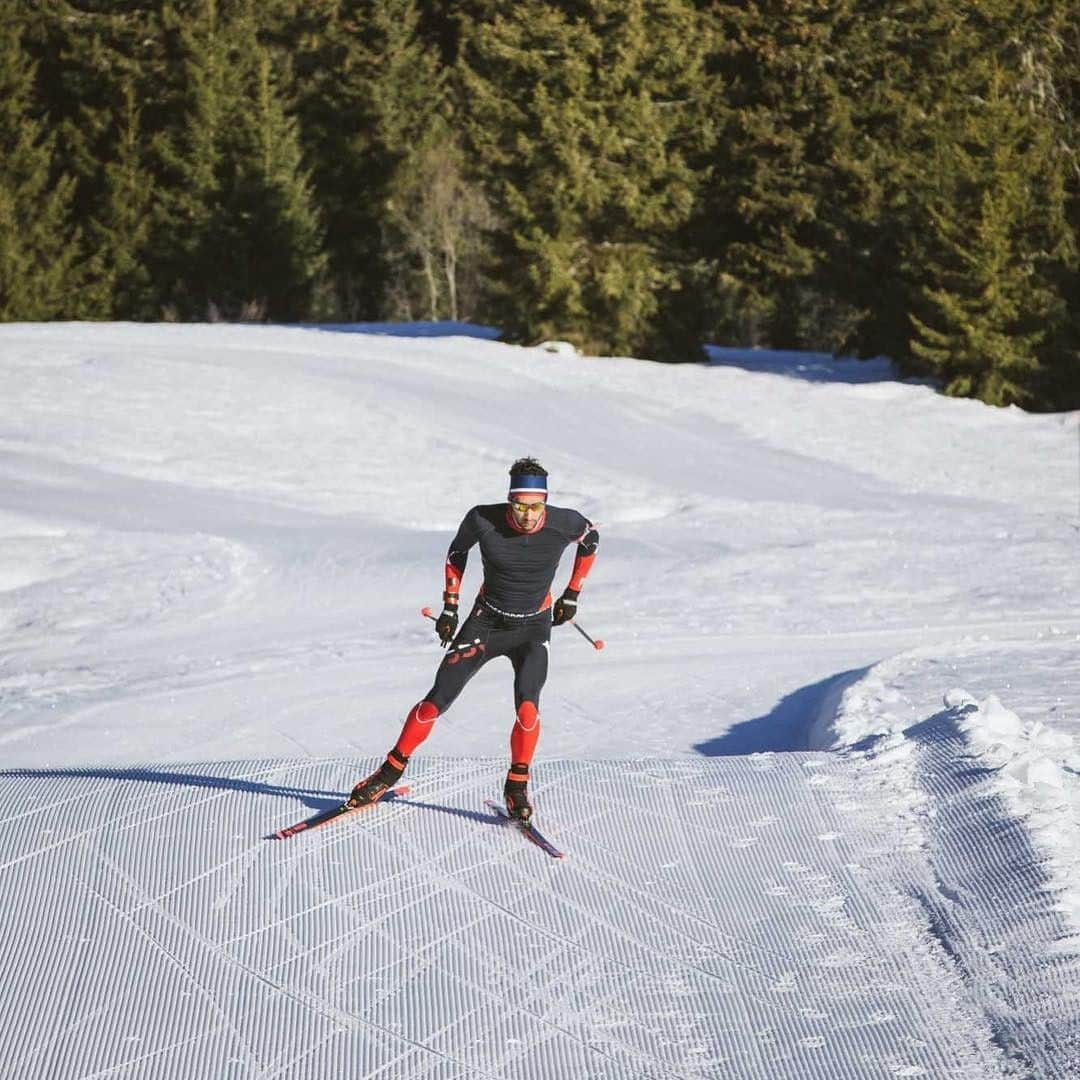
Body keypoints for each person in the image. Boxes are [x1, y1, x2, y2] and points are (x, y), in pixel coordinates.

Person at [347, 457, 599, 822]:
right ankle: (388, 773)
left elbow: (591, 539)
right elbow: (456, 551)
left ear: (545, 502)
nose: (527, 515)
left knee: (528, 709)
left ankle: (516, 786)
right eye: (519, 506)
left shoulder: (566, 522)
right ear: (509, 500)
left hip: (532, 628)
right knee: (435, 702)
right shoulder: (483, 519)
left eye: (535, 507)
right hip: (486, 623)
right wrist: (450, 607)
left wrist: (572, 593)